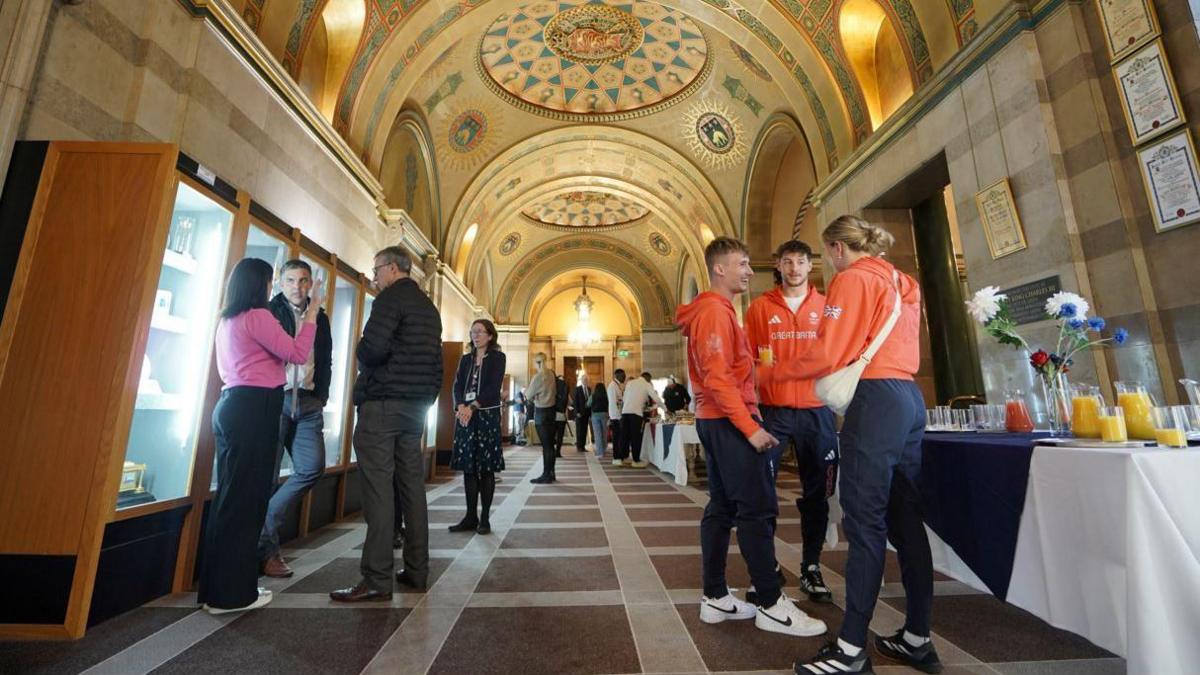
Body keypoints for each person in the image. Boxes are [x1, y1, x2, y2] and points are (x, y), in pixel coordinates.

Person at [765, 216, 937, 674]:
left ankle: (851, 651)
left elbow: (828, 352)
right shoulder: (901, 279)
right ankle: (917, 637)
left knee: (864, 522)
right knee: (905, 518)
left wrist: (772, 373)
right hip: (909, 397)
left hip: (876, 400)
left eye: (824, 254)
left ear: (838, 249)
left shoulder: (851, 278)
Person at [675, 236, 826, 638]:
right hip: (728, 420)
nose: (749, 270)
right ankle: (773, 604)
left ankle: (715, 597)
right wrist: (751, 428)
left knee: (723, 507)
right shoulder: (713, 312)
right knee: (758, 509)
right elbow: (718, 378)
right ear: (720, 269)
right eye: (742, 263)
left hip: (718, 418)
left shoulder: (719, 310)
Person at [200, 258, 320, 614]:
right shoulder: (258, 316)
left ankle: (215, 590)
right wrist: (312, 313)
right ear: (259, 285)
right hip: (254, 409)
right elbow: (297, 354)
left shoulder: (228, 319)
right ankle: (234, 595)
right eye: (270, 281)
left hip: (232, 406)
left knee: (229, 501)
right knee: (247, 503)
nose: (273, 288)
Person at [331, 246, 442, 602]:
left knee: (378, 491)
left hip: (383, 406)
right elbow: (435, 362)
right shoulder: (428, 307)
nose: (374, 276)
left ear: (393, 268)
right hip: (415, 410)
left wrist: (362, 351)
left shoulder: (389, 300)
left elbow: (371, 350)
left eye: (376, 269)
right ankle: (416, 569)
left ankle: (377, 578)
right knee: (412, 489)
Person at [744, 240, 836, 604]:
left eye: (801, 261)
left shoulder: (828, 307)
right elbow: (747, 361)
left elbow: (838, 355)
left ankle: (811, 567)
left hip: (818, 412)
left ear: (810, 266)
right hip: (775, 412)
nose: (795, 268)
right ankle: (766, 570)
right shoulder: (759, 308)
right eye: (788, 262)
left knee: (818, 493)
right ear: (778, 266)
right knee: (761, 491)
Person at [258, 260, 333, 579]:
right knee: (268, 476)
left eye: (303, 281)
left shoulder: (321, 318)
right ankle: (267, 552)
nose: (297, 287)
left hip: (308, 402)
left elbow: (326, 356)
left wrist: (322, 395)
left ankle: (266, 521)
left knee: (312, 467)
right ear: (280, 282)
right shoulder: (270, 312)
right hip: (275, 400)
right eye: (290, 280)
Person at [448, 319, 506, 535]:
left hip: (486, 417)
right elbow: (457, 385)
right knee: (469, 468)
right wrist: (460, 406)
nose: (476, 335)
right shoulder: (465, 360)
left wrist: (473, 406)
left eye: (480, 332)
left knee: (486, 468)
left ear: (490, 335)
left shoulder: (498, 358)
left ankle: (484, 518)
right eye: (473, 332)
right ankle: (470, 516)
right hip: (465, 418)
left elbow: (493, 387)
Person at [525, 352, 558, 483]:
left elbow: (528, 395)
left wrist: (532, 396)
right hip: (552, 412)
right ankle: (552, 472)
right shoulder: (551, 374)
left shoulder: (538, 377)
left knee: (546, 446)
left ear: (537, 363)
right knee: (550, 445)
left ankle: (546, 474)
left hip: (541, 413)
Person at [620, 371, 664, 468]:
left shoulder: (630, 383)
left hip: (625, 412)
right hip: (636, 415)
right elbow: (656, 399)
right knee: (636, 437)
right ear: (648, 379)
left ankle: (623, 458)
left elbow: (624, 398)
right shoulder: (646, 384)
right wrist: (665, 409)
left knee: (625, 436)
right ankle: (636, 460)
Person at [606, 369, 626, 466]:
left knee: (620, 437)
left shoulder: (617, 386)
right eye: (623, 375)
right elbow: (614, 403)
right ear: (617, 375)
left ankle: (620, 456)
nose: (624, 377)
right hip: (616, 416)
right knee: (616, 438)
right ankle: (616, 457)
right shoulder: (612, 386)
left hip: (618, 415)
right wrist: (619, 416)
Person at [588, 382, 609, 458]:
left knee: (597, 434)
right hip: (604, 415)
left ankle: (600, 452)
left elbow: (588, 404)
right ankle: (604, 448)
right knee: (604, 432)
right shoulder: (606, 396)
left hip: (595, 415)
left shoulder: (593, 396)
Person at [572, 372, 591, 452]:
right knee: (579, 430)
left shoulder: (589, 389)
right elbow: (575, 402)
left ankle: (583, 446)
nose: (585, 381)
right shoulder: (578, 389)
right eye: (584, 379)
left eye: (586, 379)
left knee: (584, 430)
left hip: (586, 414)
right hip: (579, 413)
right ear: (581, 380)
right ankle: (579, 446)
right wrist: (577, 412)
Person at [553, 373, 569, 457]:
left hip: (552, 414)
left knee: (552, 435)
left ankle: (553, 451)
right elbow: (567, 401)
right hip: (561, 415)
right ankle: (558, 451)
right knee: (560, 435)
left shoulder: (553, 386)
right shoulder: (565, 386)